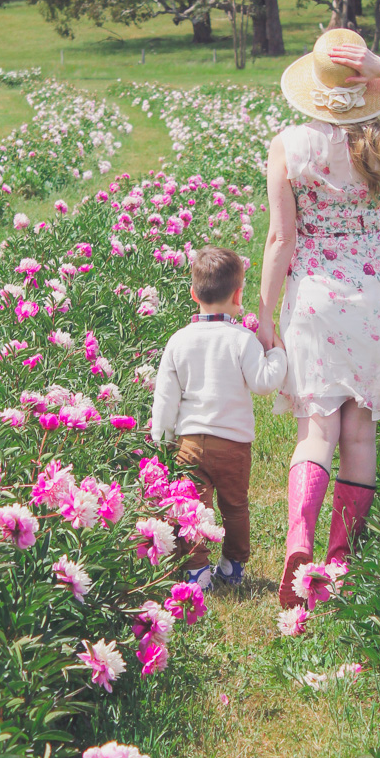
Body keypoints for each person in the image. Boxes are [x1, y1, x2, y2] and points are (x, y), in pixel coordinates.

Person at [257, 28, 380, 607]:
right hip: (376, 293)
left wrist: (264, 316)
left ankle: (298, 536)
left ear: (313, 88)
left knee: (317, 428)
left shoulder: (289, 145)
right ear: (365, 86)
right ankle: (338, 562)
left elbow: (279, 239)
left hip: (315, 294)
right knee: (360, 430)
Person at [151, 245, 287, 589]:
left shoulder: (178, 341)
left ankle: (197, 569)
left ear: (193, 293)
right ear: (239, 294)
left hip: (190, 443)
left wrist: (162, 436)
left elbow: (166, 396)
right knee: (235, 507)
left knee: (193, 509)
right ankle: (233, 564)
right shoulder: (243, 340)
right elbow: (264, 383)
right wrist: (277, 352)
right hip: (233, 445)